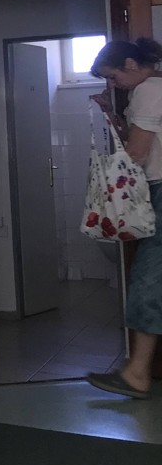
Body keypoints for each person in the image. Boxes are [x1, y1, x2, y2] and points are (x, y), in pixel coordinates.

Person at [86, 38, 162, 399]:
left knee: (148, 281)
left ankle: (137, 375)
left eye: (113, 77)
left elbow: (137, 152)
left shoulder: (148, 90)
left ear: (131, 64)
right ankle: (137, 372)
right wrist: (112, 117)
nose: (112, 84)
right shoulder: (150, 90)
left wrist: (103, 173)